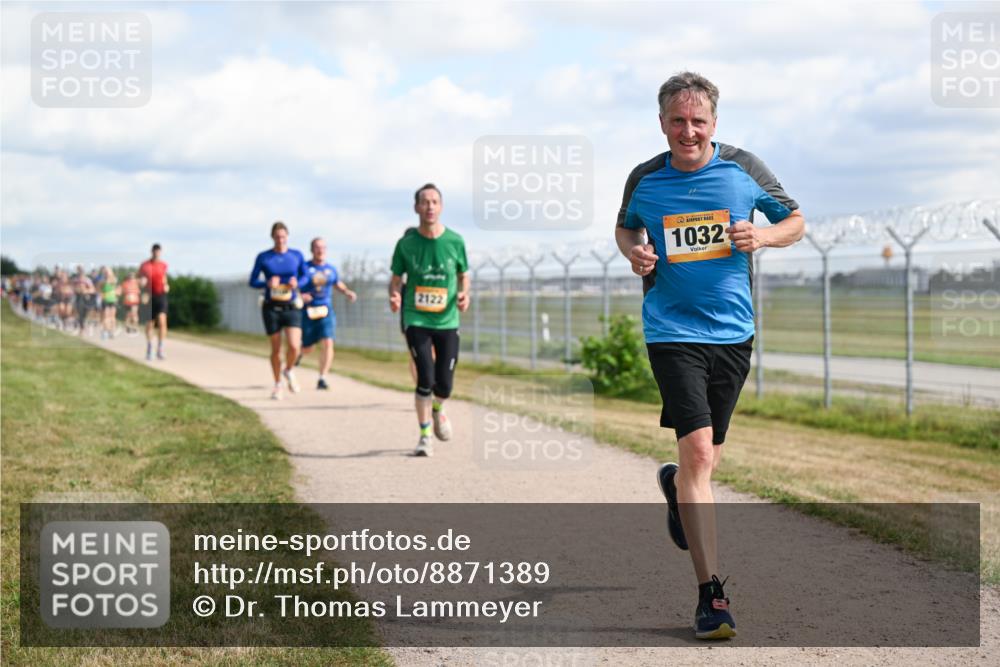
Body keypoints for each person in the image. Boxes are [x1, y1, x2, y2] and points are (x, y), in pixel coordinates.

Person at [615, 72, 805, 640]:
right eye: (678, 120)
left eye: (698, 121)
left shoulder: (744, 169)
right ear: (662, 122)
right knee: (698, 451)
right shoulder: (645, 179)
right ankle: (711, 596)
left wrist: (764, 237)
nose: (688, 131)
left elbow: (795, 220)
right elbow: (625, 229)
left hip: (733, 334)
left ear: (714, 124)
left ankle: (676, 489)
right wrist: (636, 254)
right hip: (670, 330)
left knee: (706, 463)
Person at [389, 184, 470, 457]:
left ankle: (438, 409)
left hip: (447, 320)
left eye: (435, 201)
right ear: (416, 208)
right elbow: (396, 280)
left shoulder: (455, 241)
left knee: (444, 385)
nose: (430, 206)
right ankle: (424, 436)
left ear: (442, 206)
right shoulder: (406, 244)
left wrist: (464, 294)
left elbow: (463, 275)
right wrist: (394, 296)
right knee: (425, 376)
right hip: (416, 318)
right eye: (425, 202)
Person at [249, 221, 307, 400]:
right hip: (271, 307)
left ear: (287, 236)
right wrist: (266, 283)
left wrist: (298, 283)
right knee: (276, 349)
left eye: (283, 236)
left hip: (291, 306)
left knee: (295, 347)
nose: (280, 240)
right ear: (272, 237)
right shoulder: (264, 257)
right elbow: (252, 281)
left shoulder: (296, 255)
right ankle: (277, 384)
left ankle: (288, 370)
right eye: (277, 237)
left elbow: (306, 277)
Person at [299, 237, 356, 389]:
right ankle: (300, 354)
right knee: (308, 347)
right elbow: (295, 285)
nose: (321, 250)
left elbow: (337, 282)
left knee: (328, 342)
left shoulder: (331, 269)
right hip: (309, 311)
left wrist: (346, 291)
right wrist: (300, 295)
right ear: (312, 250)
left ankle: (322, 377)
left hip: (326, 310)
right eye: (317, 247)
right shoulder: (304, 267)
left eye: (323, 247)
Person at [139, 244, 170, 360]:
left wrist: (166, 284)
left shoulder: (163, 265)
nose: (156, 253)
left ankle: (160, 348)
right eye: (155, 251)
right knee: (150, 324)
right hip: (149, 295)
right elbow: (140, 279)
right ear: (151, 252)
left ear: (160, 252)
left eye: (158, 252)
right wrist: (142, 287)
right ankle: (149, 347)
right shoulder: (145, 265)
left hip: (161, 295)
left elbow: (164, 277)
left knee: (162, 321)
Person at [72, 265, 96, 337]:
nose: (80, 272)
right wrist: (77, 290)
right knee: (80, 314)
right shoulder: (75, 280)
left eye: (81, 271)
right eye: (79, 271)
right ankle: (81, 329)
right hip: (78, 298)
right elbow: (72, 289)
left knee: (87, 313)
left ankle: (88, 326)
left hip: (86, 298)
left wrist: (86, 291)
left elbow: (93, 290)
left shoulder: (87, 280)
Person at [99, 266, 119, 339]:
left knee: (112, 317)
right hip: (105, 300)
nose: (107, 273)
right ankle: (106, 331)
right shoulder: (102, 281)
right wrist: (101, 295)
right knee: (106, 317)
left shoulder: (114, 280)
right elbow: (99, 289)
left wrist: (116, 294)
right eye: (106, 272)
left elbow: (117, 287)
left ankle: (111, 331)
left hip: (113, 300)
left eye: (108, 272)